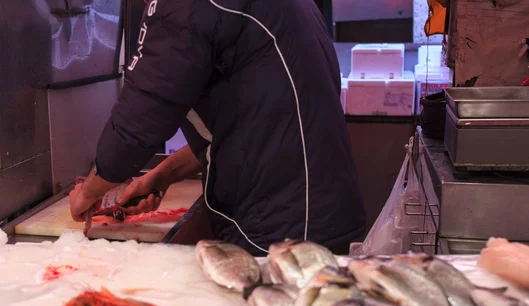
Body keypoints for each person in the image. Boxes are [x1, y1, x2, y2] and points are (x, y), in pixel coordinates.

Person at [69, 0, 366, 256]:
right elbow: (255, 127)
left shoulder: (186, 6)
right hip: (323, 215)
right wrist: (162, 176)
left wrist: (87, 194)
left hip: (282, 230)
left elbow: (136, 123)